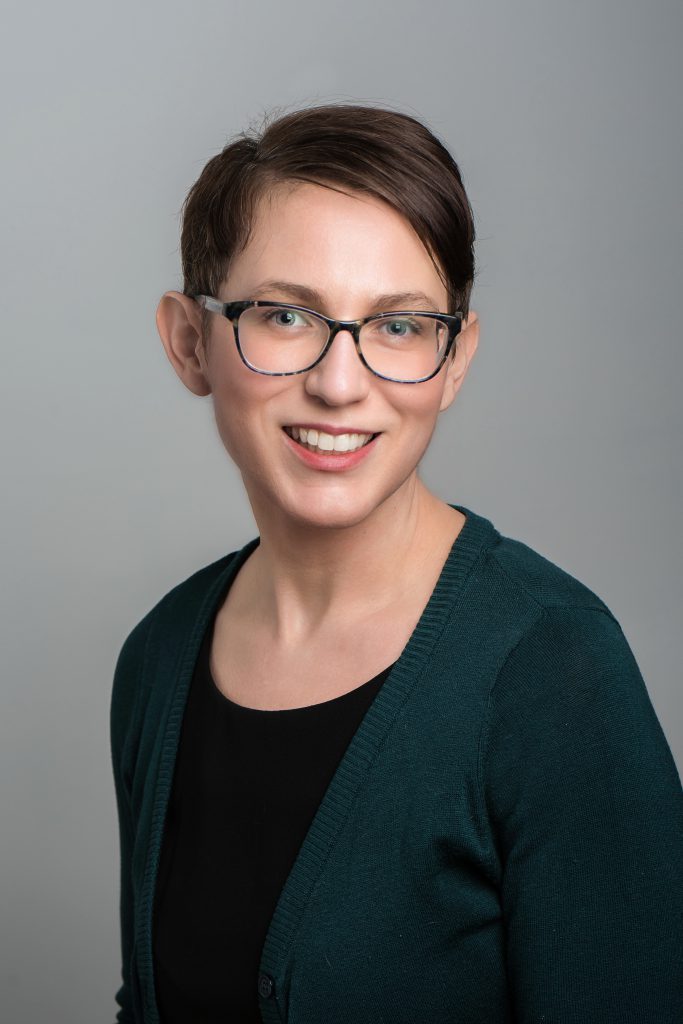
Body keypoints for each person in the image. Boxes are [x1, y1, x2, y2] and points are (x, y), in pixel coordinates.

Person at [110, 102, 683, 1024]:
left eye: (402, 327)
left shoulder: (551, 671)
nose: (341, 384)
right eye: (287, 314)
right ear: (189, 342)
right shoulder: (159, 657)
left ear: (455, 361)